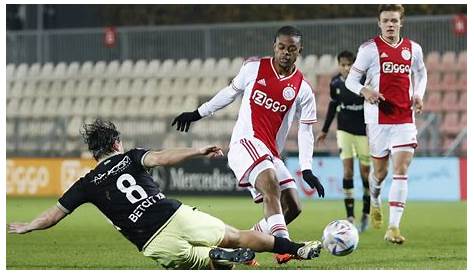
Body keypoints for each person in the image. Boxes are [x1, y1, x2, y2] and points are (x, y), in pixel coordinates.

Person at [7, 119, 322, 269]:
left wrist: (29, 225)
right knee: (236, 236)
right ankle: (295, 247)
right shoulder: (130, 156)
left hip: (151, 242)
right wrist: (197, 150)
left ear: (94, 152)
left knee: (204, 262)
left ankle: (217, 260)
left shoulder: (86, 184)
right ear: (116, 143)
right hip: (172, 214)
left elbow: (54, 215)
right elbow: (162, 157)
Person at [172, 25, 325, 264]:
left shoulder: (303, 89)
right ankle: (285, 248)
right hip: (246, 143)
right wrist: (197, 113)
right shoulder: (254, 68)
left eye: (291, 49)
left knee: (293, 206)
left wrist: (306, 168)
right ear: (274, 46)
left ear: (300, 51)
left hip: (271, 153)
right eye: (282, 47)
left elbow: (306, 130)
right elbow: (229, 93)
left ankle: (248, 243)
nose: (285, 52)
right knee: (271, 187)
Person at [345, 4, 427, 244]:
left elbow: (421, 74)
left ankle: (393, 227)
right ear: (379, 24)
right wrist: (364, 90)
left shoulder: (413, 49)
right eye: (386, 21)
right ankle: (375, 197)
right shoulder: (369, 50)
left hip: (404, 118)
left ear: (401, 22)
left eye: (394, 20)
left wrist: (419, 94)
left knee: (401, 170)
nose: (390, 24)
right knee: (379, 174)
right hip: (377, 121)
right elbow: (351, 79)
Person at [316, 50, 371, 232]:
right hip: (344, 132)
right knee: (347, 172)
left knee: (365, 174)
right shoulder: (335, 83)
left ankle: (366, 212)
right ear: (339, 65)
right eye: (343, 64)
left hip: (364, 133)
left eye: (349, 64)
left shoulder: (364, 82)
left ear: (354, 65)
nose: (346, 68)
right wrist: (324, 130)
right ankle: (350, 215)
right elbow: (333, 106)